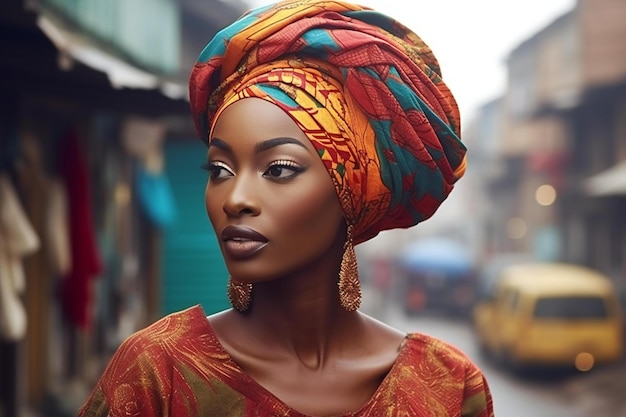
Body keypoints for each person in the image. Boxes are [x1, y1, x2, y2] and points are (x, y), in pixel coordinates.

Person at [79, 0, 494, 415]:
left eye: (278, 169)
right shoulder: (156, 373)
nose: (236, 199)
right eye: (220, 169)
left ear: (351, 191)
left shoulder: (447, 387)